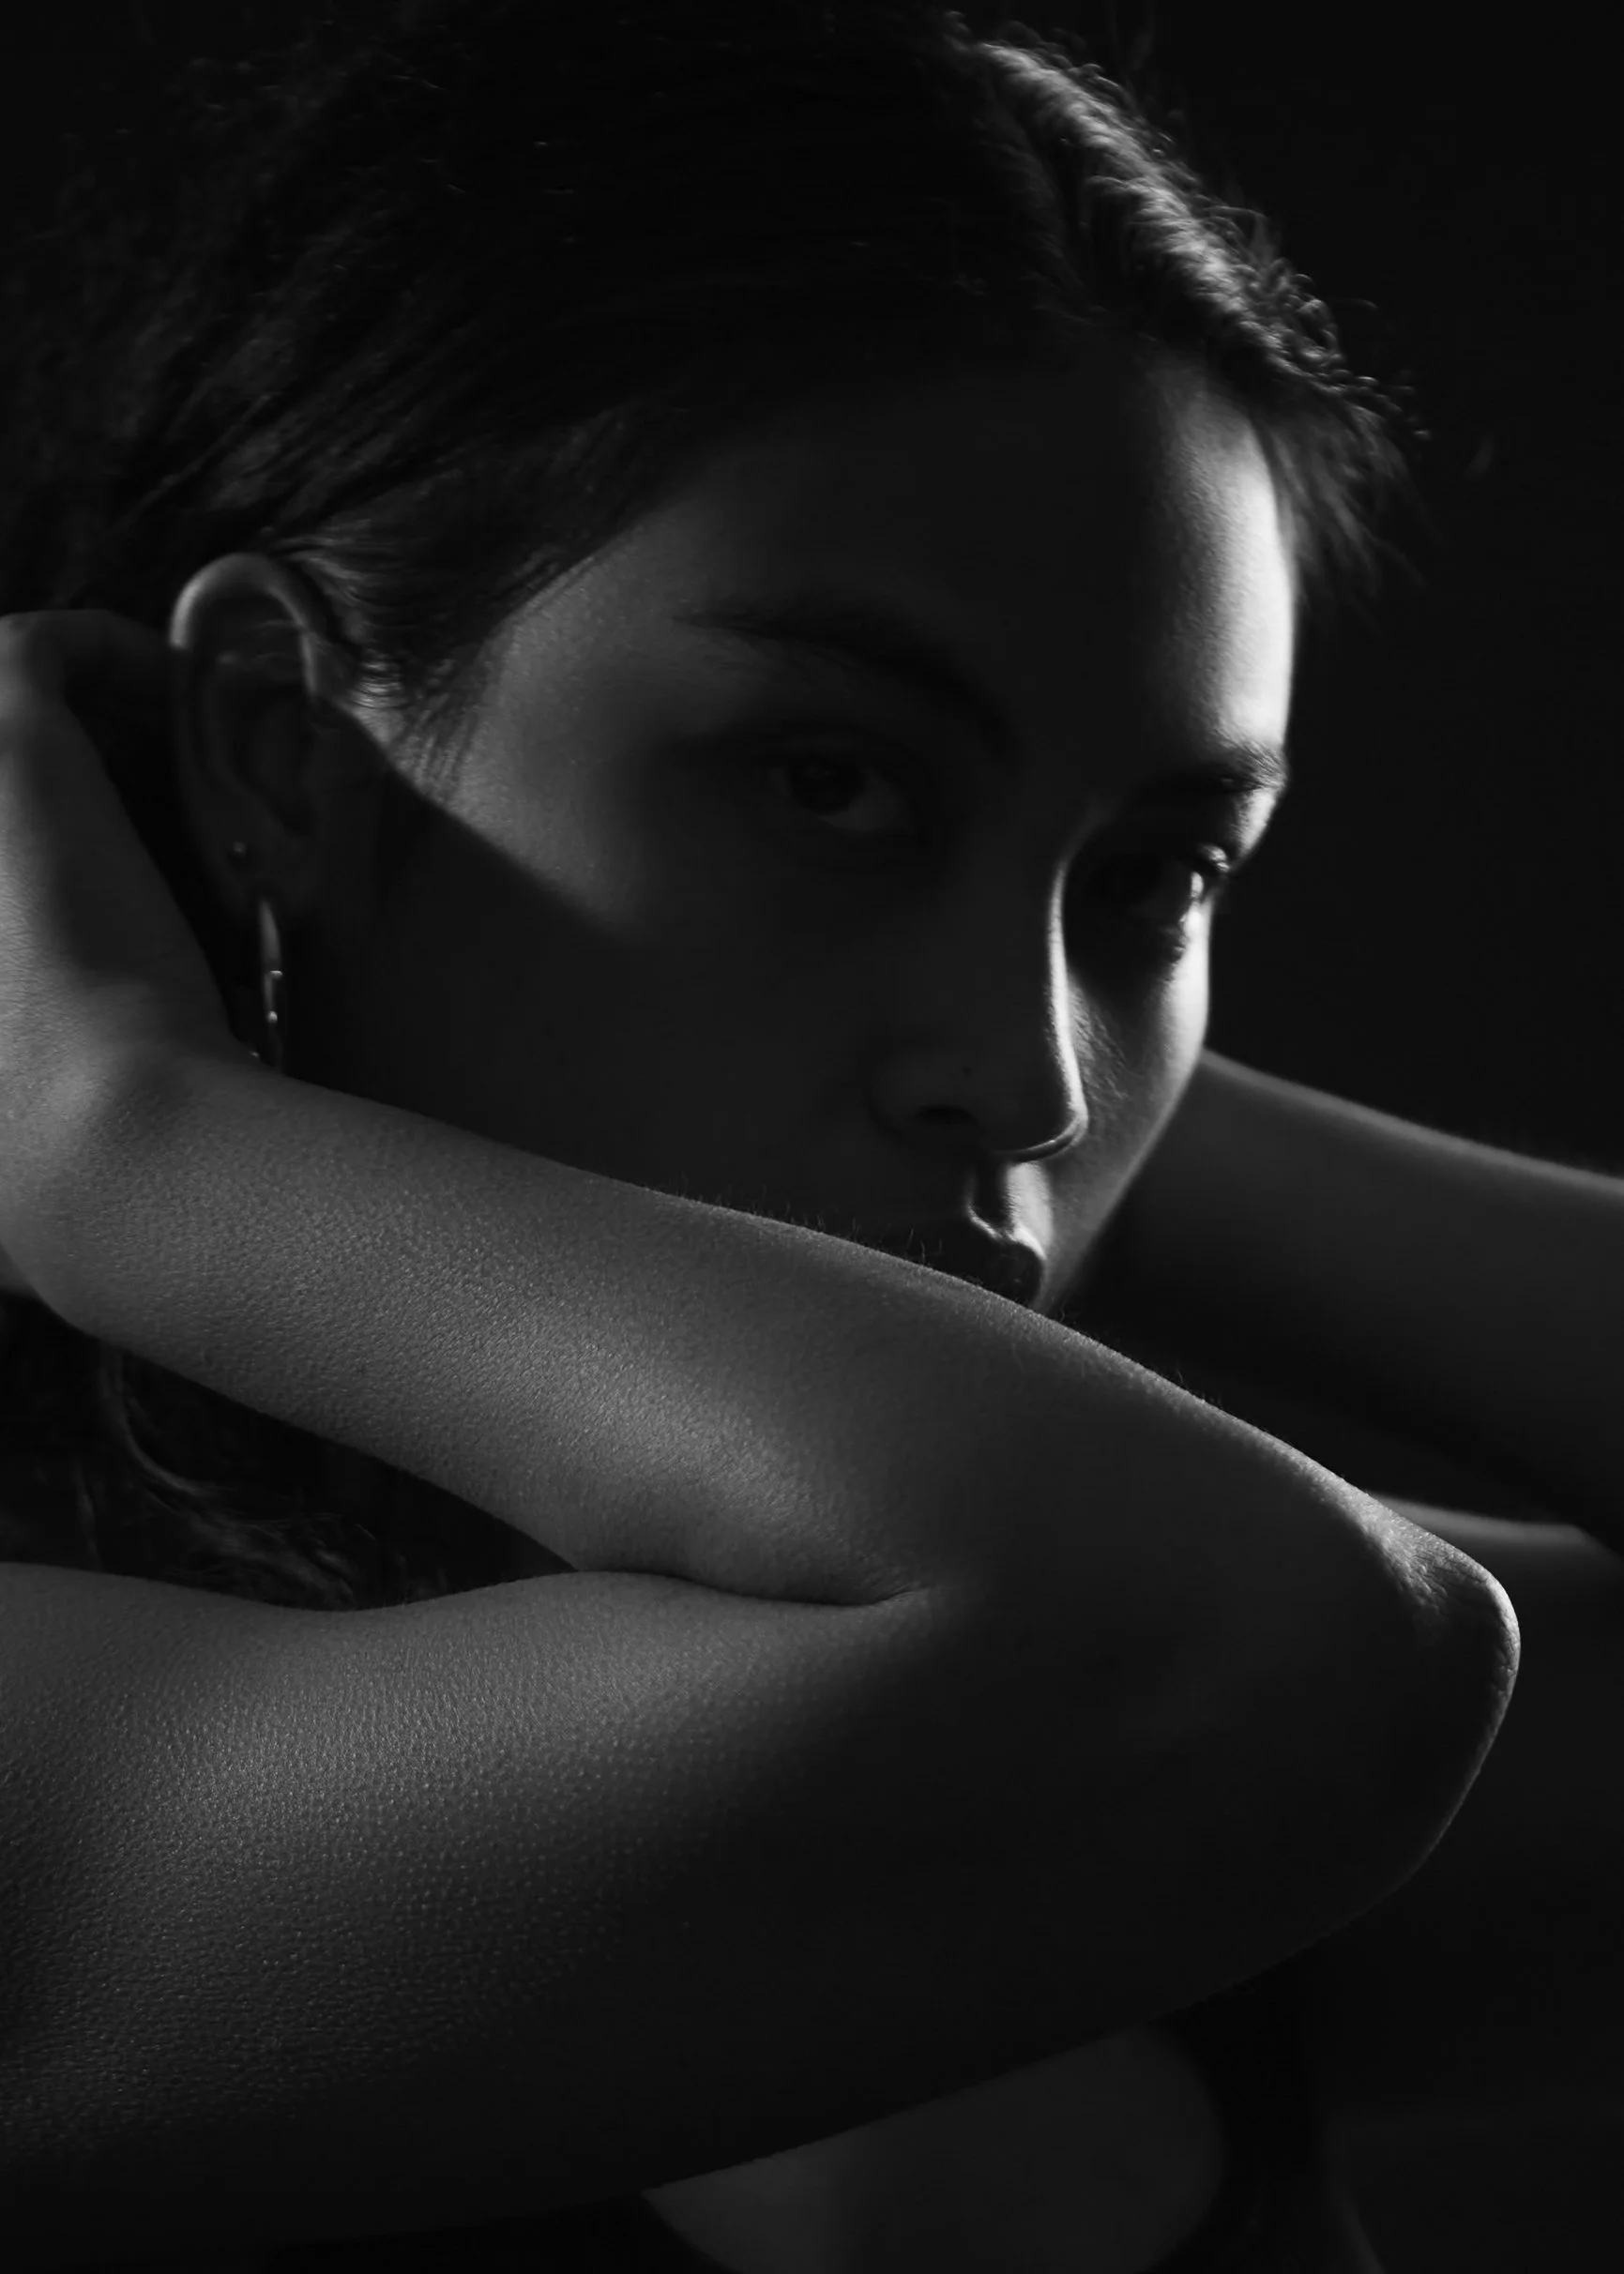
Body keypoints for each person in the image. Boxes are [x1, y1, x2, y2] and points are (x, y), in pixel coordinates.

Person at [11, 0, 1618, 2266]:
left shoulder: (1186, 1749)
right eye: (826, 780)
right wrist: (131, 1131)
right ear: (281, 743)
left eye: (1163, 876)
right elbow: (1236, 1640)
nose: (1040, 1070)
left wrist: (132, 1107)